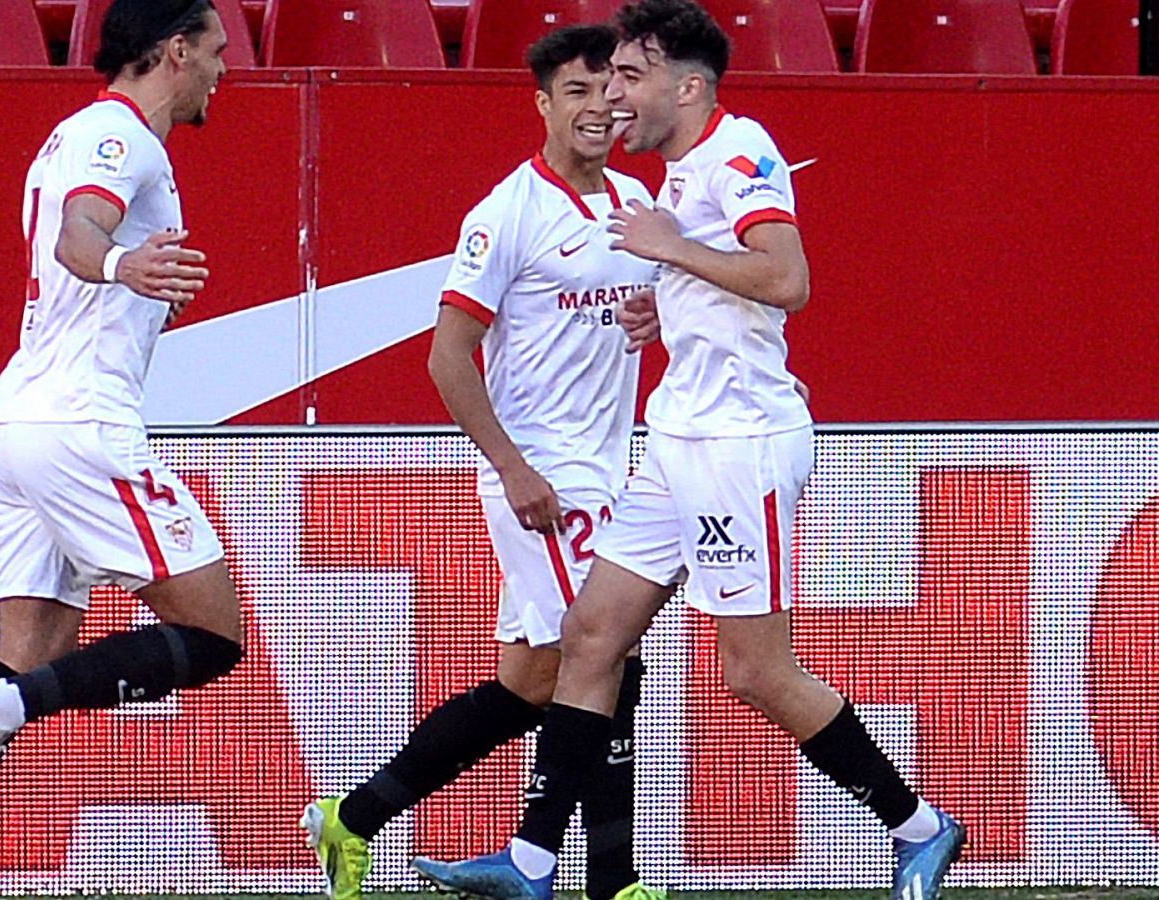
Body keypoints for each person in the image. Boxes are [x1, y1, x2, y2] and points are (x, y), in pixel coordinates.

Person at [410, 3, 966, 900]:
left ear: (688, 86)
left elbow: (787, 278)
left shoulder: (740, 153)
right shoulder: (672, 177)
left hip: (736, 446)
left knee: (754, 670)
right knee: (590, 635)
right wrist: (662, 304)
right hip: (675, 437)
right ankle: (531, 862)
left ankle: (920, 825)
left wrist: (672, 253)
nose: (617, 96)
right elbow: (721, 287)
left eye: (631, 76)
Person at [0, 3, 237, 898]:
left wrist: (137, 288)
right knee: (214, 634)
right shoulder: (123, 136)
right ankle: (7, 710)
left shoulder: (78, 133)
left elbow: (78, 238)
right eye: (218, 52)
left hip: (21, 418)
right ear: (175, 49)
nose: (226, 71)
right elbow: (79, 234)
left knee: (27, 654)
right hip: (81, 425)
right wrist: (122, 269)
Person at [301, 25, 666, 900]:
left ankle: (353, 818)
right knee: (609, 655)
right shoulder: (505, 215)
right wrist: (510, 468)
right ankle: (611, 882)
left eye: (608, 91)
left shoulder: (631, 203)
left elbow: (648, 315)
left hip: (608, 470)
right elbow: (447, 355)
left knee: (533, 682)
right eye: (574, 92)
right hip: (543, 478)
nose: (597, 108)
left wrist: (659, 320)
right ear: (542, 104)